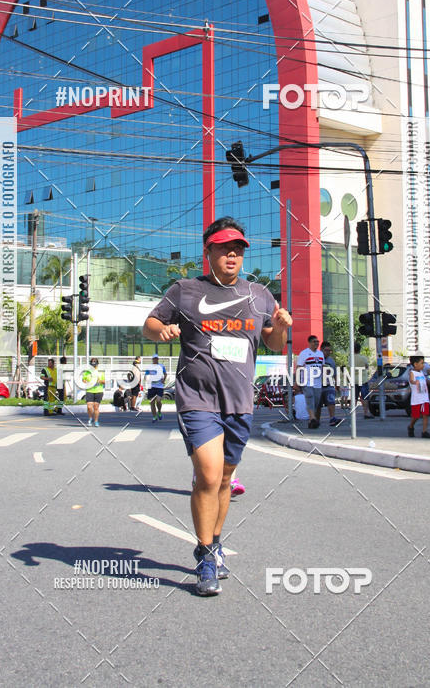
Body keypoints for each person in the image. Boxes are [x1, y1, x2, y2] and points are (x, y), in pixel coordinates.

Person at [143, 216, 292, 596]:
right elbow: (150, 324)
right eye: (224, 248)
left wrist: (281, 327)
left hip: (239, 401)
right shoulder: (186, 290)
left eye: (238, 249)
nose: (232, 255)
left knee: (224, 480)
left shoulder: (260, 295)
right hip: (197, 398)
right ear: (207, 252)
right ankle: (206, 557)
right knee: (209, 477)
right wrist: (162, 330)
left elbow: (274, 343)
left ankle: (214, 540)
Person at [296, 335, 324, 429]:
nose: (316, 343)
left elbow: (322, 367)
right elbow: (299, 367)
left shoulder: (320, 354)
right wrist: (297, 381)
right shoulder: (304, 353)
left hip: (318, 382)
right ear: (309, 343)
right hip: (307, 381)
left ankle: (311, 420)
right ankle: (312, 418)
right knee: (309, 398)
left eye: (317, 341)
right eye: (314, 341)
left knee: (316, 402)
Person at [407, 355, 430, 438]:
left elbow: (426, 380)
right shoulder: (412, 372)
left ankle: (424, 431)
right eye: (422, 363)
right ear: (415, 364)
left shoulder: (421, 373)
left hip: (424, 397)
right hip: (416, 399)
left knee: (425, 414)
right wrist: (415, 382)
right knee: (416, 416)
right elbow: (411, 380)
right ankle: (411, 426)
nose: (423, 365)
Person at [318, 341, 342, 427]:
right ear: (321, 350)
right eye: (326, 350)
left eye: (329, 350)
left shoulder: (331, 361)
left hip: (329, 385)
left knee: (331, 401)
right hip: (318, 386)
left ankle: (332, 418)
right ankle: (316, 420)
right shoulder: (317, 359)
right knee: (318, 405)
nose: (328, 352)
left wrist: (337, 384)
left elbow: (335, 374)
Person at [353, 342, 373, 418]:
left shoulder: (350, 358)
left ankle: (353, 413)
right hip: (363, 379)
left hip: (354, 380)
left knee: (354, 397)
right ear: (359, 349)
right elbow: (367, 366)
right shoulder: (363, 358)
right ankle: (366, 413)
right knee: (365, 397)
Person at [85, 357, 104, 427]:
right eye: (92, 363)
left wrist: (99, 381)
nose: (93, 364)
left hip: (98, 391)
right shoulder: (87, 372)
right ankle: (90, 418)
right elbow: (83, 380)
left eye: (95, 363)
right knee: (89, 407)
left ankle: (96, 421)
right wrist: (85, 381)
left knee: (96, 407)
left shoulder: (101, 372)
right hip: (89, 390)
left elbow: (104, 381)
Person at [147, 354, 166, 421]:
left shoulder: (161, 366)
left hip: (159, 386)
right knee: (152, 402)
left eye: (156, 358)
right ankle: (154, 416)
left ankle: (159, 411)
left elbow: (165, 374)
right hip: (152, 386)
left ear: (158, 359)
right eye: (154, 358)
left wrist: (164, 380)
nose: (155, 360)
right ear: (152, 359)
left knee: (158, 400)